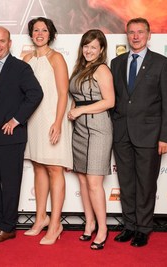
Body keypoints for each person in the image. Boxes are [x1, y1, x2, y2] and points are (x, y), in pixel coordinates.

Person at [0, 27, 43, 243]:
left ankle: (8, 226)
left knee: (10, 182)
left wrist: (16, 120)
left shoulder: (20, 68)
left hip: (9, 136)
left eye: (2, 41)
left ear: (10, 43)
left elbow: (36, 94)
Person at [111, 17, 167, 247]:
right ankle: (130, 226)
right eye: (131, 32)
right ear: (127, 35)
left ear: (148, 35)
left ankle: (143, 229)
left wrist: (165, 136)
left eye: (140, 32)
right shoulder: (117, 63)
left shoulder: (162, 63)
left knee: (146, 184)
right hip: (122, 133)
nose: (136, 36)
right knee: (126, 183)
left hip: (150, 135)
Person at [22, 17, 73, 245]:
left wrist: (58, 122)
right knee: (38, 167)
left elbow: (64, 93)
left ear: (50, 34)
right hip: (32, 120)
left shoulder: (57, 58)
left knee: (54, 168)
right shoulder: (26, 58)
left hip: (52, 118)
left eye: (44, 30)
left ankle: (55, 224)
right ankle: (40, 218)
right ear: (31, 34)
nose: (39, 33)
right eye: (36, 30)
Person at [68, 29, 114, 250]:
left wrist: (79, 111)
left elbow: (110, 101)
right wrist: (73, 110)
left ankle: (103, 229)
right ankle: (90, 223)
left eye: (94, 47)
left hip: (98, 129)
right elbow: (77, 98)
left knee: (95, 183)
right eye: (86, 46)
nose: (89, 50)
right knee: (84, 181)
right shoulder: (79, 68)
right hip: (79, 131)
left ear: (101, 49)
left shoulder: (102, 69)